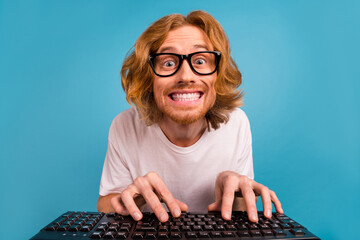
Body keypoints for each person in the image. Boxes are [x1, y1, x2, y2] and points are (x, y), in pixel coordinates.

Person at [97, 10, 283, 223]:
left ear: (217, 74)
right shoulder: (124, 126)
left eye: (200, 61)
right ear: (149, 78)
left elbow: (238, 217)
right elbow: (104, 203)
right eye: (168, 63)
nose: (186, 76)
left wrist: (234, 196)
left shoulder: (237, 123)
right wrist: (127, 199)